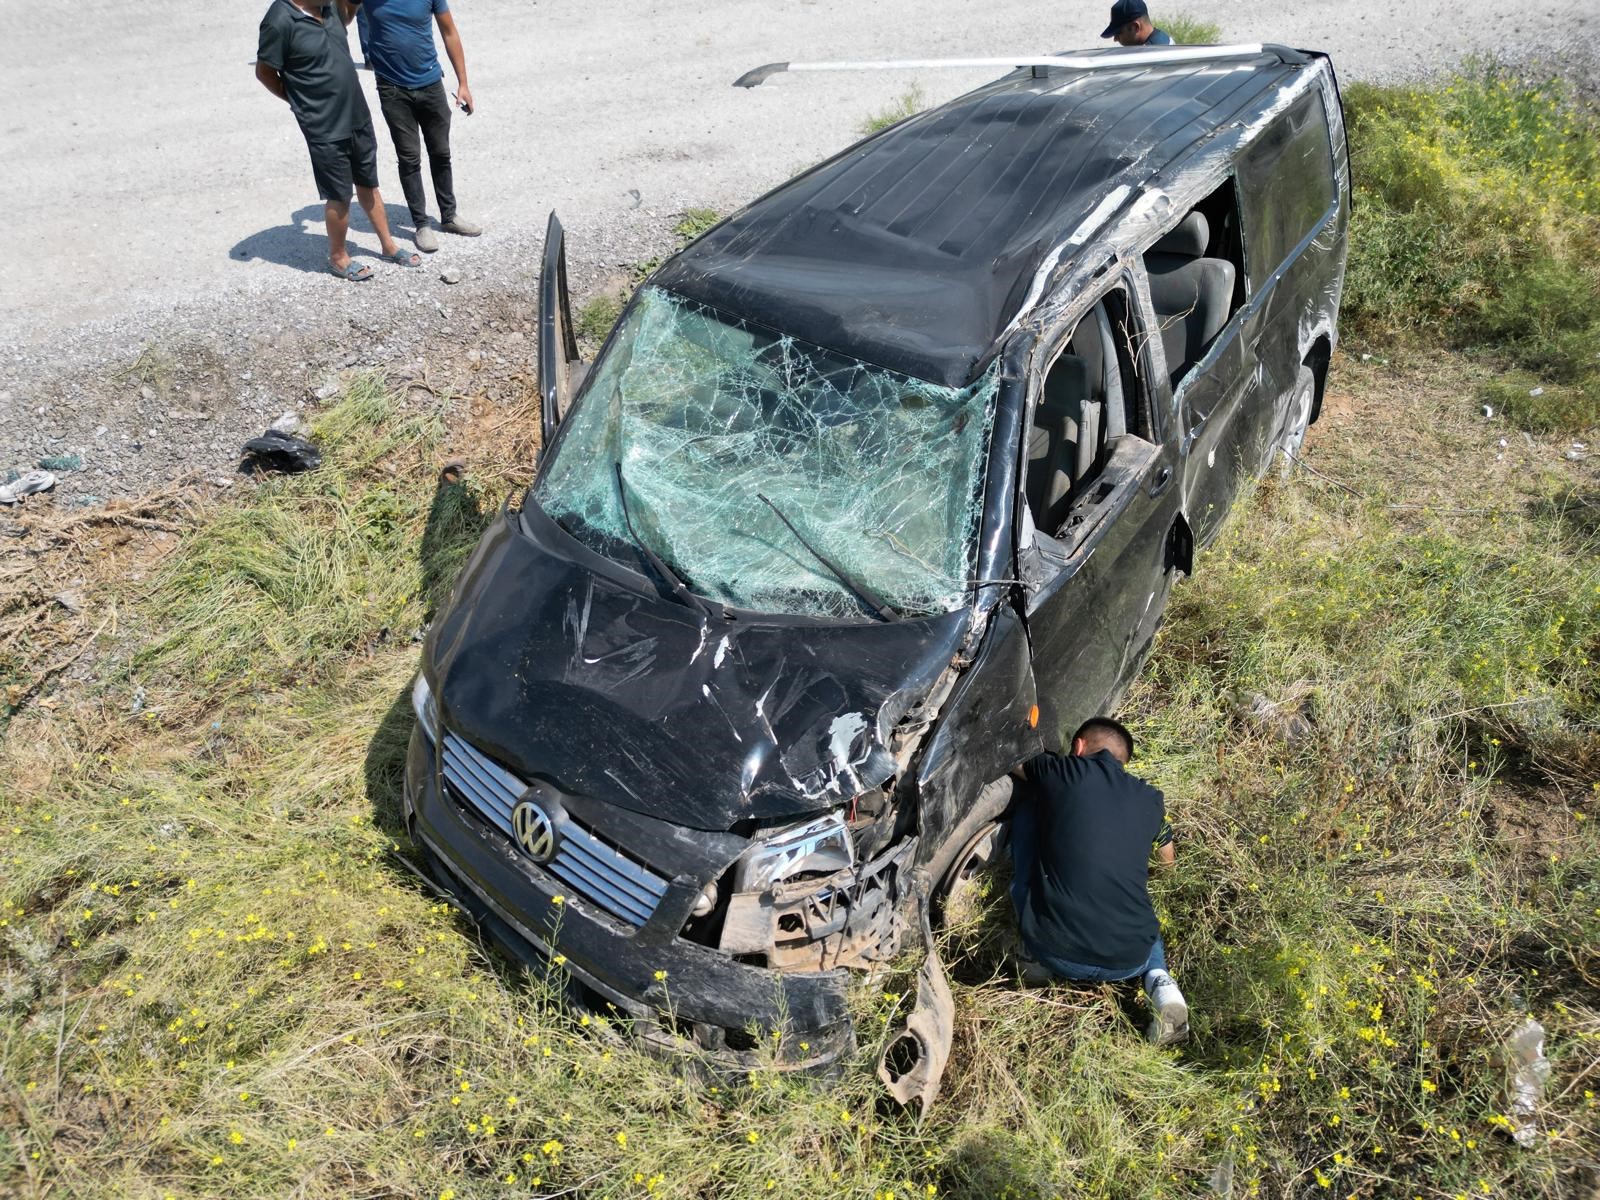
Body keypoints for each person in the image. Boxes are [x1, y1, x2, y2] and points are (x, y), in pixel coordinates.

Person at [1010, 716, 1190, 1044]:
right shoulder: (1150, 799)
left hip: (1056, 950)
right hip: (1129, 959)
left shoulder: (1064, 771)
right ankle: (1162, 983)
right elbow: (1167, 859)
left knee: (1027, 811)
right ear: (1124, 762)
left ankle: (1032, 959)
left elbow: (1012, 758)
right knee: (1143, 917)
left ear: (1078, 747)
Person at [256, 0, 422, 281]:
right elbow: (265, 72)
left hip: (357, 115)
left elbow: (345, 17)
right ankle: (338, 257)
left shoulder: (329, 7)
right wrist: (298, 100)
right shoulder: (279, 19)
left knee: (369, 183)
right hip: (324, 125)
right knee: (339, 194)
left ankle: (388, 245)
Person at [351, 0, 482, 252]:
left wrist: (463, 83)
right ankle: (422, 224)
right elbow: (338, 15)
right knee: (409, 158)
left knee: (441, 153)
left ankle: (449, 216)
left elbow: (449, 32)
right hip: (392, 90)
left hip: (431, 83)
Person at [1100, 0, 1175, 47]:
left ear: (1136, 27)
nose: (1115, 39)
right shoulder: (1162, 39)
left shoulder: (1151, 56)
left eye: (1118, 33)